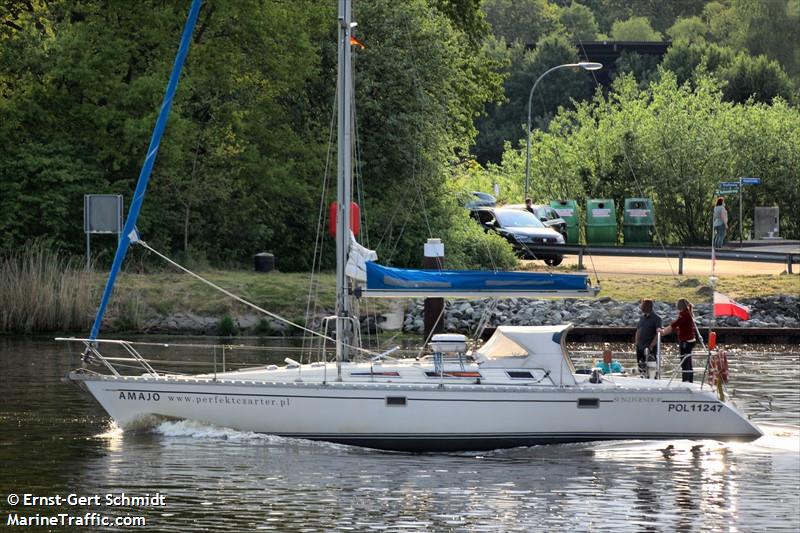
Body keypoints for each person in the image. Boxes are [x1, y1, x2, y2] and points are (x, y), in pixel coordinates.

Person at [659, 298, 697, 383]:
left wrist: (663, 332)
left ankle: (686, 380)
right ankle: (689, 379)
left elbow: (675, 324)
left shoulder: (685, 315)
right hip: (690, 340)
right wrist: (665, 329)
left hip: (686, 341)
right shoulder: (687, 313)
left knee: (685, 361)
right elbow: (676, 324)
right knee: (688, 360)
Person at [634, 299, 661, 377]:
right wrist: (637, 343)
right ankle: (642, 378)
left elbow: (657, 333)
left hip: (650, 347)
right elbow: (638, 330)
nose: (641, 307)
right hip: (640, 346)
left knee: (651, 367)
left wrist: (651, 345)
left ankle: (652, 379)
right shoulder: (642, 318)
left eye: (642, 305)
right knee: (641, 366)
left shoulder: (657, 318)